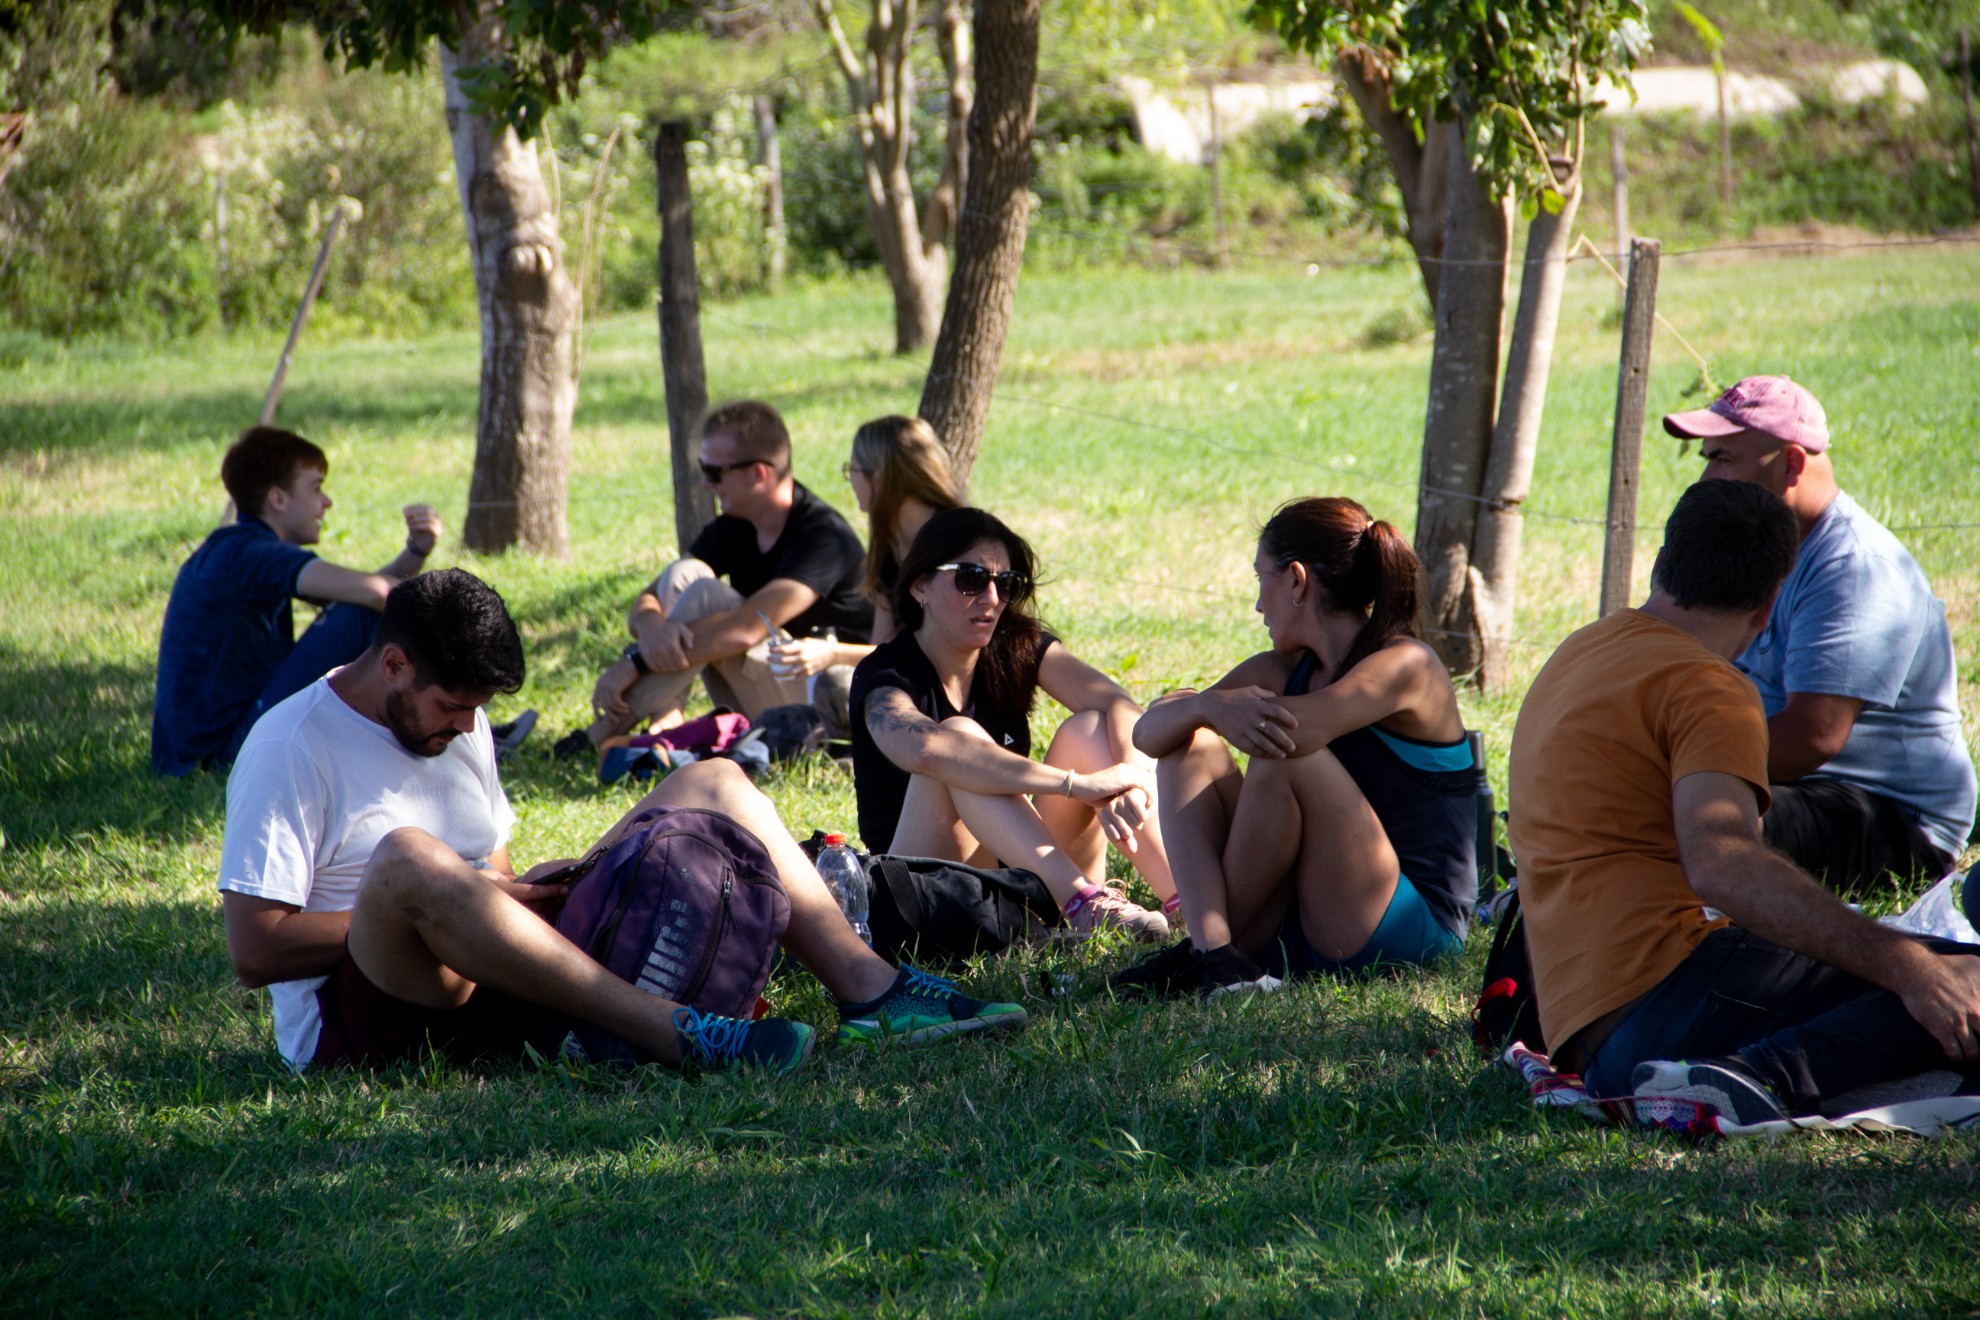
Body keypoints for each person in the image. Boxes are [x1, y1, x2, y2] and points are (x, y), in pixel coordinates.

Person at [219, 568, 1026, 1077]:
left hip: (497, 975)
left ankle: (872, 991)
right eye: (452, 705)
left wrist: (508, 891)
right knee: (407, 860)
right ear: (393, 664)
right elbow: (256, 950)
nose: (467, 728)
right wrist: (446, 899)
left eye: (477, 710)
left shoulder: (457, 728)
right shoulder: (292, 744)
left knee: (714, 779)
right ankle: (680, 1035)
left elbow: (488, 876)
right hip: (373, 1014)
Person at [1508, 479, 1980, 1131]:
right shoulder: (1707, 687)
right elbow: (1724, 863)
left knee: (1933, 995)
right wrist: (1909, 964)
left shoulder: (1580, 649)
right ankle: (1759, 1077)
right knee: (1956, 982)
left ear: (1663, 562)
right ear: (1769, 608)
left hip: (1587, 1036)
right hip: (1666, 998)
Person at [1118, 497, 1481, 997]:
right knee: (1190, 741)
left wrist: (1211, 704)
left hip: (1409, 925)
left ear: (1295, 580)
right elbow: (1149, 733)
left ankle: (1203, 957)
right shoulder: (1287, 669)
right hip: (1307, 916)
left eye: (1260, 579)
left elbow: (1294, 735)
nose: (1258, 604)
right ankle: (1217, 952)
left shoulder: (1408, 665)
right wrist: (1205, 709)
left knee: (1284, 754)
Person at [1665, 375, 1975, 893]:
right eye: (1707, 459)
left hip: (1893, 822)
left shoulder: (1855, 569)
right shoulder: (1757, 548)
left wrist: (1677, 767)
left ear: (1790, 463)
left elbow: (1811, 738)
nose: (1705, 481)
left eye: (1723, 459)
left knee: (1689, 820)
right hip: (1795, 786)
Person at [848, 507, 1175, 940]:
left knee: (1092, 728)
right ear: (920, 585)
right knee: (958, 739)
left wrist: (1130, 778)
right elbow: (922, 750)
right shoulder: (886, 674)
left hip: (1015, 868)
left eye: (1005, 584)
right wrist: (1073, 784)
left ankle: (1188, 902)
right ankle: (1085, 903)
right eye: (969, 578)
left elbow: (1116, 701)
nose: (991, 598)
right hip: (921, 891)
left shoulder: (1015, 645)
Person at [562, 400, 875, 758]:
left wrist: (635, 662)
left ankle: (599, 735)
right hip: (771, 686)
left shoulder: (823, 536)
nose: (705, 483)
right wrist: (650, 628)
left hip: (830, 707)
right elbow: (647, 600)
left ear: (758, 473)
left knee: (706, 595)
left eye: (714, 472)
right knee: (683, 575)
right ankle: (665, 722)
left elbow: (744, 629)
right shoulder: (737, 525)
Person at [152, 425, 444, 776]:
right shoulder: (254, 553)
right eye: (316, 487)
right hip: (222, 755)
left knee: (363, 610)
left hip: (198, 753)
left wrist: (416, 550)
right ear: (278, 499)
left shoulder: (235, 548)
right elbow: (374, 594)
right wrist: (455, 632)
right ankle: (437, 733)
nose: (327, 501)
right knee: (364, 611)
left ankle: (440, 726)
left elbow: (365, 592)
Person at [765, 414, 963, 683]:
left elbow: (936, 654)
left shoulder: (953, 541)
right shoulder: (891, 541)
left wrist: (832, 653)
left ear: (879, 479)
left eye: (853, 471)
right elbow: (880, 648)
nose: (851, 482)